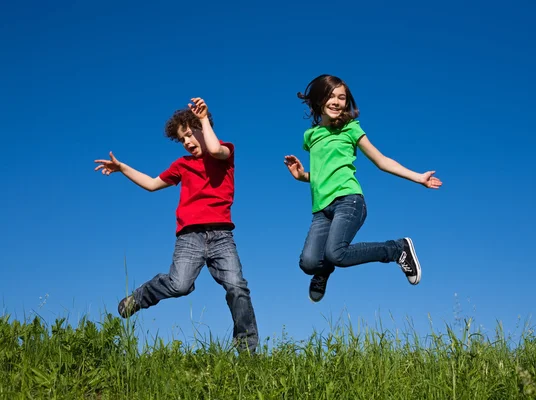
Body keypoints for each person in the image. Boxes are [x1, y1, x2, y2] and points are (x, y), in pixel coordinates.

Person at [94, 98, 258, 352]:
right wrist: (122, 168)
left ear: (204, 129)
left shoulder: (224, 153)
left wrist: (203, 118)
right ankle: (140, 297)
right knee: (179, 285)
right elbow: (151, 184)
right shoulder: (182, 165)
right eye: (182, 139)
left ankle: (247, 350)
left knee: (237, 287)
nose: (187, 142)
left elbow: (214, 150)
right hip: (189, 237)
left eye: (190, 135)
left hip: (221, 236)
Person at [284, 75, 443, 302]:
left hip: (349, 201)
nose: (337, 102)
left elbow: (381, 161)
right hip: (321, 209)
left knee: (336, 253)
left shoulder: (350, 128)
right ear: (318, 99)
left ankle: (397, 249)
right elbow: (321, 174)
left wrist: (418, 177)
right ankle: (323, 271)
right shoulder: (311, 136)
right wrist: (302, 176)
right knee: (309, 263)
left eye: (342, 98)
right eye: (331, 96)